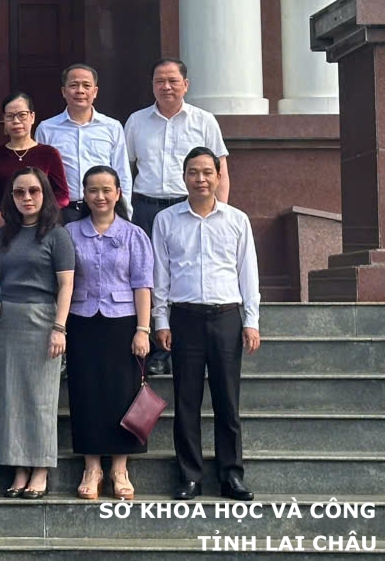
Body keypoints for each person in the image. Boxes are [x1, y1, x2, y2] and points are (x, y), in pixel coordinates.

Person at [153, 147, 260, 502]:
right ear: (184, 177)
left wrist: (251, 321)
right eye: (193, 172)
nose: (200, 179)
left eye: (207, 172)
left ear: (218, 176)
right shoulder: (166, 220)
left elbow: (248, 273)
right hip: (184, 317)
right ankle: (190, 476)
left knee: (227, 400)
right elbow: (160, 274)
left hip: (226, 316)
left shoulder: (237, 220)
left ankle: (231, 475)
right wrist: (160, 320)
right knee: (186, 400)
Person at [125, 59, 230, 379]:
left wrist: (219, 213)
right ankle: (155, 349)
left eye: (173, 80)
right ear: (152, 85)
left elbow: (221, 171)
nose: (166, 86)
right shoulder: (137, 121)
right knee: (148, 277)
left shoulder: (204, 121)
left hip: (190, 208)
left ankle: (182, 348)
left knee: (184, 274)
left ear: (186, 84)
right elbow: (124, 168)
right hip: (147, 208)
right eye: (160, 81)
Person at [65, 165, 153, 501]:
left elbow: (142, 285)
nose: (100, 196)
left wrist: (142, 329)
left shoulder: (134, 235)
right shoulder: (70, 233)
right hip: (82, 320)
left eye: (106, 190)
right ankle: (92, 467)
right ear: (84, 195)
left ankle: (119, 468)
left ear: (118, 193)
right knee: (85, 392)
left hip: (122, 323)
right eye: (93, 190)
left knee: (122, 393)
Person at [0, 166, 74, 499]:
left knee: (40, 398)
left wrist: (59, 328)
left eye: (34, 191)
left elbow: (66, 285)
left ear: (45, 194)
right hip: (8, 319)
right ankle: (18, 467)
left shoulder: (57, 235)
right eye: (19, 192)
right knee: (9, 396)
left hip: (43, 319)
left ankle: (40, 468)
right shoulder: (5, 233)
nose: (27, 198)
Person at [34, 64, 132, 223]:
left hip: (102, 209)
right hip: (62, 212)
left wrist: (124, 212)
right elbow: (40, 176)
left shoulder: (112, 127)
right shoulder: (46, 129)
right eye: (73, 85)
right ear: (63, 91)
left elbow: (122, 173)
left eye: (86, 85)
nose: (80, 91)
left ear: (95, 91)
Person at [0, 92, 69, 226]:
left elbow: (62, 195)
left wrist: (41, 213)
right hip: (6, 225)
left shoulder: (49, 153)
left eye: (22, 115)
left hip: (41, 225)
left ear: (32, 117)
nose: (16, 121)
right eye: (10, 116)